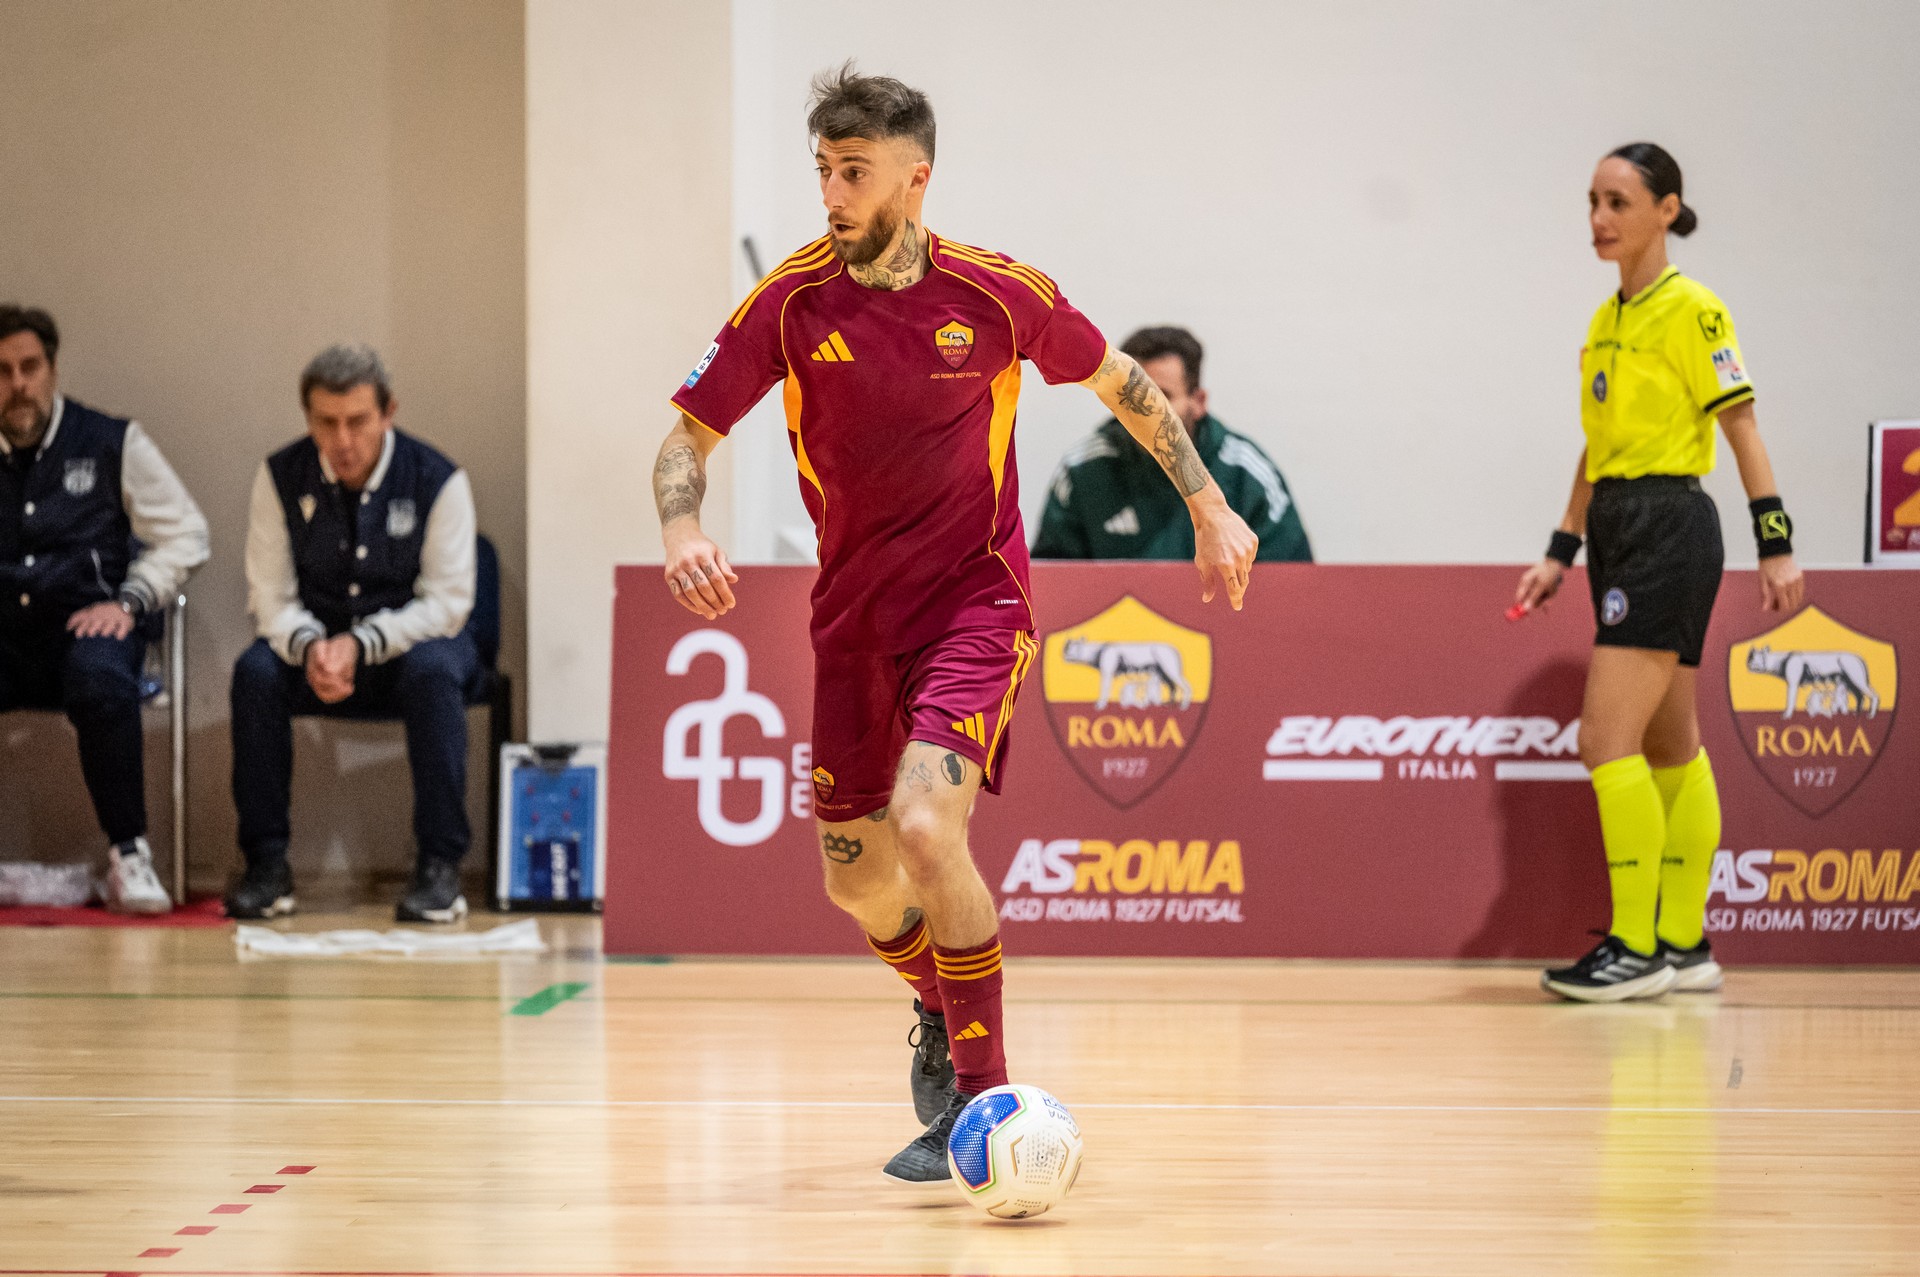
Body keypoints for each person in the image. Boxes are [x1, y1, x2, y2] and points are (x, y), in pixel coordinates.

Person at [652, 66, 1257, 1181]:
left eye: (854, 172)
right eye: (824, 170)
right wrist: (683, 526)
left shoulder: (994, 293)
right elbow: (685, 438)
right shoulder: (788, 302)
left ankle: (985, 1101)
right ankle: (940, 1003)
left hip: (977, 602)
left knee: (928, 831)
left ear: (915, 178)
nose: (832, 194)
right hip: (851, 620)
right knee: (856, 879)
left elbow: (1122, 381)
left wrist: (1209, 505)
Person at [1514, 143, 1804, 1003]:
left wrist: (1776, 539)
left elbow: (1742, 426)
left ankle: (1635, 946)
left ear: (1667, 210)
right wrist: (1561, 549)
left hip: (1669, 524)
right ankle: (1684, 941)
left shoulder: (1694, 310)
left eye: (1619, 202)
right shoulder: (1605, 321)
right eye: (1592, 202)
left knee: (1604, 740)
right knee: (1673, 743)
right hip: (1616, 525)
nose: (1599, 219)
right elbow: (1597, 447)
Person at [226, 344, 479, 923]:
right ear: (308, 418)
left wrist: (362, 644)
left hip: (412, 646)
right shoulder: (280, 476)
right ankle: (266, 865)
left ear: (389, 412)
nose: (342, 440)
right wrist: (312, 646)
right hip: (315, 648)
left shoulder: (439, 479)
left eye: (358, 421)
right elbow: (269, 596)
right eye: (326, 423)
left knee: (435, 671)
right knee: (255, 673)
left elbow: (448, 603)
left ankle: (440, 866)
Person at [0, 305, 210, 914]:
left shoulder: (112, 441)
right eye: (3, 372)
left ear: (52, 370)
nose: (18, 384)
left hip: (88, 625)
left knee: (100, 677)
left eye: (30, 367)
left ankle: (129, 854)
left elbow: (187, 534)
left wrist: (131, 598)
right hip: (6, 634)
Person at [1033, 325, 1311, 562]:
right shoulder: (1082, 470)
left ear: (1198, 401)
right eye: (1131, 395)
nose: (1146, 411)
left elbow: (1291, 585)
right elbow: (1053, 581)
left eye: (1162, 397)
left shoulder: (1246, 475)